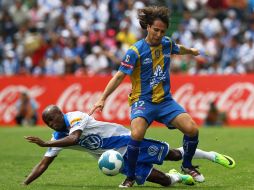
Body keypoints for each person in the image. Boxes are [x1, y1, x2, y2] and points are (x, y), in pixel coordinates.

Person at [89, 6, 203, 187]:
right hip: (142, 101)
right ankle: (131, 176)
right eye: (156, 29)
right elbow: (119, 76)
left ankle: (187, 165)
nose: (158, 34)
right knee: (136, 134)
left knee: (192, 129)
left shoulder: (167, 43)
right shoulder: (135, 51)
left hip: (165, 101)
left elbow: (178, 48)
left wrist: (191, 51)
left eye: (162, 31)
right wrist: (102, 98)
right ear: (148, 27)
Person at [23, 105, 235, 187]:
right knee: (163, 181)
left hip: (126, 141)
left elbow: (74, 138)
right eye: (48, 122)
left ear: (61, 113)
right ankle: (178, 177)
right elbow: (44, 164)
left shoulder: (77, 117)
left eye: (54, 118)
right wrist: (25, 183)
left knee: (173, 155)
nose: (53, 123)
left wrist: (45, 142)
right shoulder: (57, 136)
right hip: (116, 160)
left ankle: (209, 155)